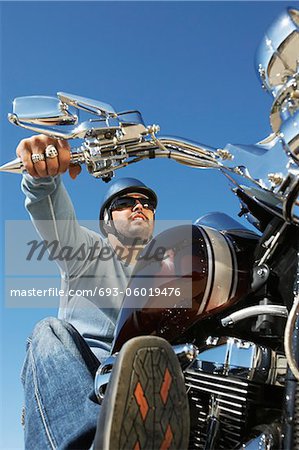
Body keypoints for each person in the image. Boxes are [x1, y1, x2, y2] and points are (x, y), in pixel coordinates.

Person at [16, 135, 190, 449]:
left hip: (152, 387)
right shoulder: (84, 250)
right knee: (47, 332)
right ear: (107, 222)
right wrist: (43, 176)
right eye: (125, 202)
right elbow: (50, 211)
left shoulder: (167, 272)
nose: (139, 207)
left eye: (145, 203)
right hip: (85, 381)